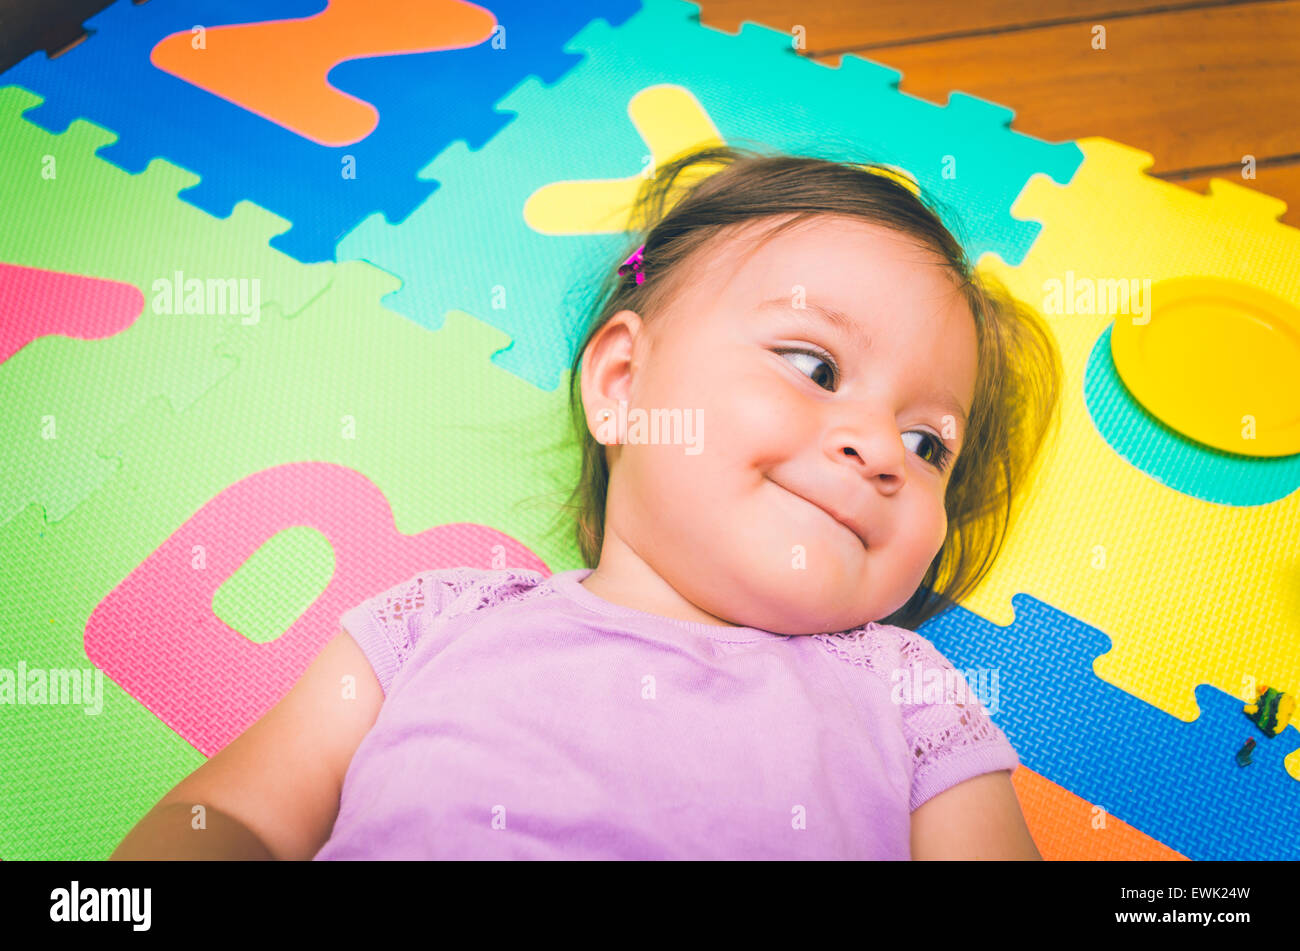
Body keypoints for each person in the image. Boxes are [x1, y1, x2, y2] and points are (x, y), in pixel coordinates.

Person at [112, 145, 1062, 860]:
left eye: (930, 442)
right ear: (622, 381)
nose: (880, 450)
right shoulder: (431, 621)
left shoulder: (908, 692)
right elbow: (229, 816)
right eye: (816, 366)